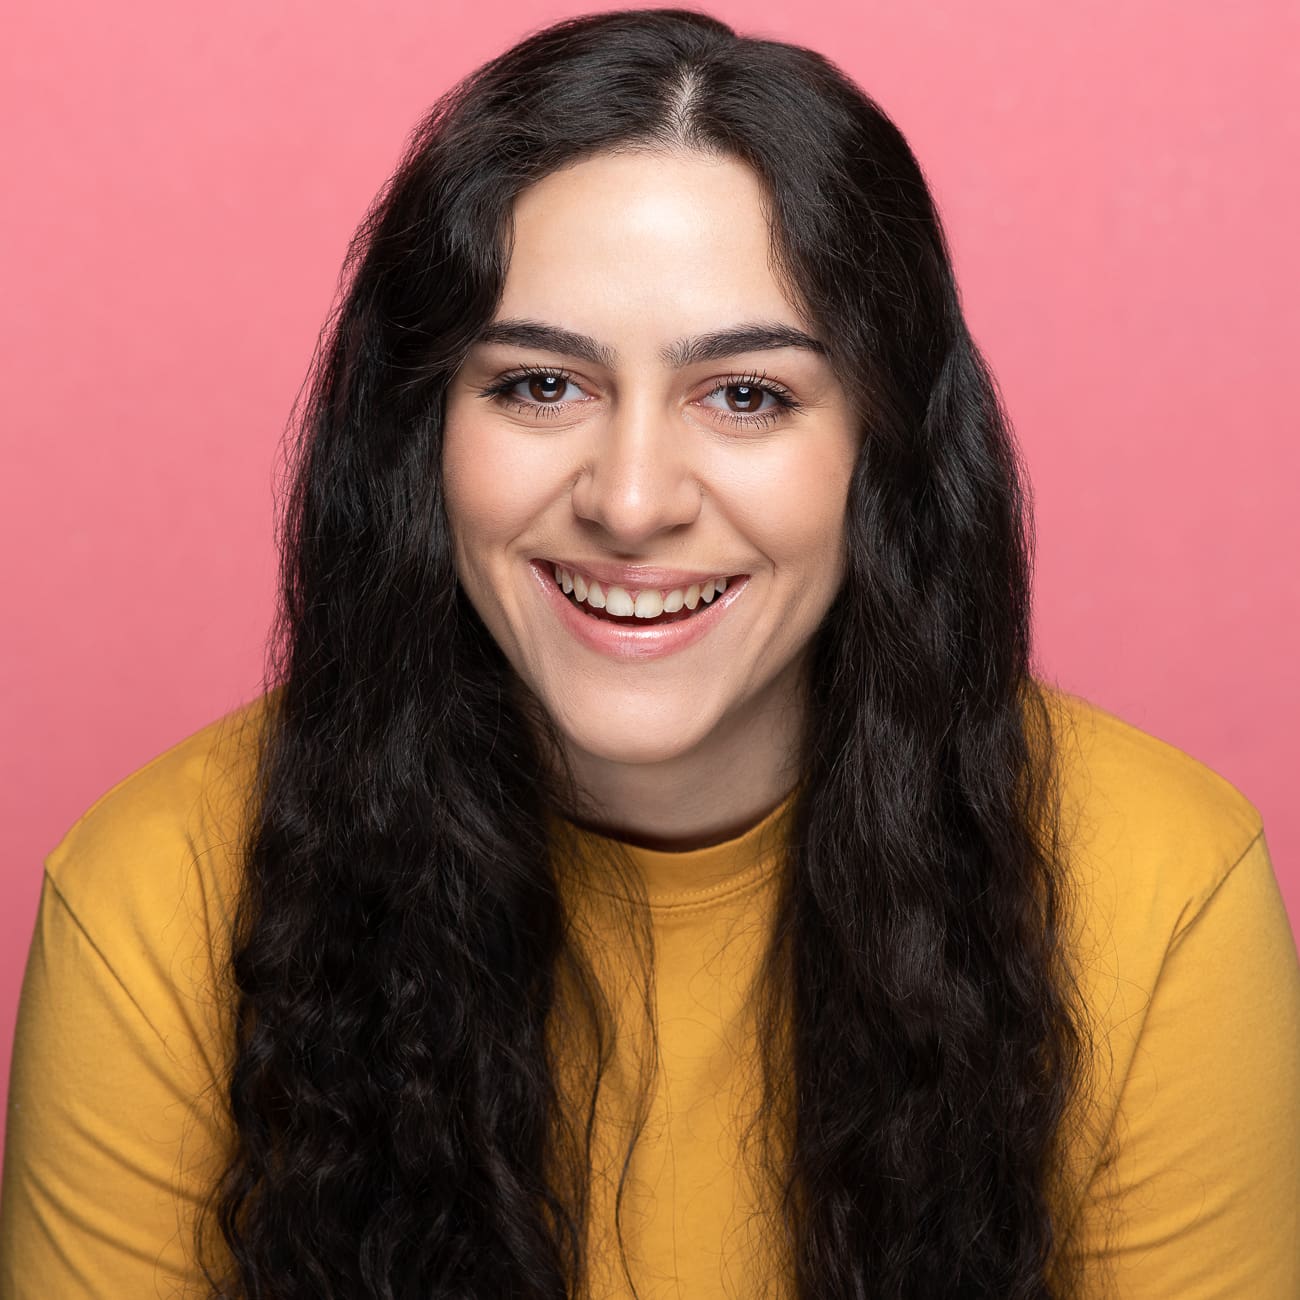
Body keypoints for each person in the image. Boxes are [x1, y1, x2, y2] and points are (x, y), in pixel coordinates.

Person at [2, 8, 1297, 1298]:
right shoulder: (154, 898)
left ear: (882, 454)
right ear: (420, 440)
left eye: (747, 396)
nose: (630, 501)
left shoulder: (1162, 888)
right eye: (539, 385)